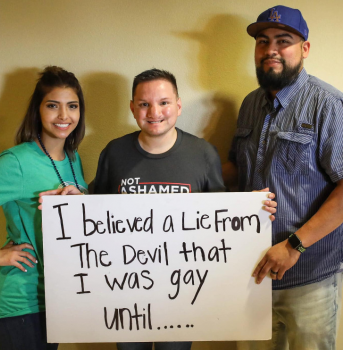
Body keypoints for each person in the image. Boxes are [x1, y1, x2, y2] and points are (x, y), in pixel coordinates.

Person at [41, 68, 276, 349]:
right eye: (144, 104)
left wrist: (250, 210)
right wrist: (74, 199)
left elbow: (219, 221)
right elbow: (95, 212)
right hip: (125, 294)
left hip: (182, 295)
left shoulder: (203, 154)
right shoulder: (114, 152)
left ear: (177, 105)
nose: (154, 112)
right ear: (133, 108)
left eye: (164, 102)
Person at [225, 5, 343, 350]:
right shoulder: (249, 104)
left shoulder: (328, 105)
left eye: (283, 41)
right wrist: (185, 175)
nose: (271, 50)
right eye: (263, 42)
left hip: (309, 277)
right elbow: (237, 169)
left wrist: (294, 247)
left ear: (304, 49)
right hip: (251, 275)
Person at [0, 66, 87, 350]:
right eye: (52, 106)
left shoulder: (73, 158)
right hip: (21, 302)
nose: (63, 116)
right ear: (38, 109)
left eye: (72, 106)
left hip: (57, 298)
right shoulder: (16, 162)